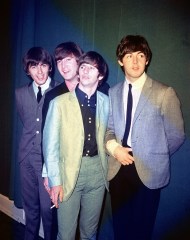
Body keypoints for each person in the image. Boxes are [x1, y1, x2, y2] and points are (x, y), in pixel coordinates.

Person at [105, 35, 185, 240]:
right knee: (120, 229)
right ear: (120, 61)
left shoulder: (164, 93)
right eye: (129, 56)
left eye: (140, 55)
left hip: (149, 173)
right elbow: (109, 128)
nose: (135, 61)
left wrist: (154, 154)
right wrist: (114, 149)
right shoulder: (112, 93)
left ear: (147, 59)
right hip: (117, 168)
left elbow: (176, 134)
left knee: (141, 231)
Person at [42, 51, 109, 240]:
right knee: (66, 235)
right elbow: (50, 147)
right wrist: (55, 181)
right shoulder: (59, 103)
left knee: (90, 233)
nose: (85, 71)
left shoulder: (106, 102)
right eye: (83, 66)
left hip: (97, 173)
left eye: (91, 67)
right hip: (68, 174)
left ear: (101, 75)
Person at [15, 47, 59, 240]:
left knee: (48, 212)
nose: (39, 71)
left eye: (43, 65)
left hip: (48, 162)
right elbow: (27, 122)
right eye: (34, 66)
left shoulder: (60, 90)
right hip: (26, 160)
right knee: (30, 209)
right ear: (28, 70)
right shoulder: (20, 94)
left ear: (50, 67)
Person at [42, 42, 110, 128]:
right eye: (59, 61)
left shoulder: (102, 89)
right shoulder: (52, 96)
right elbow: (47, 136)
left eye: (68, 60)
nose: (63, 66)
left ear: (79, 61)